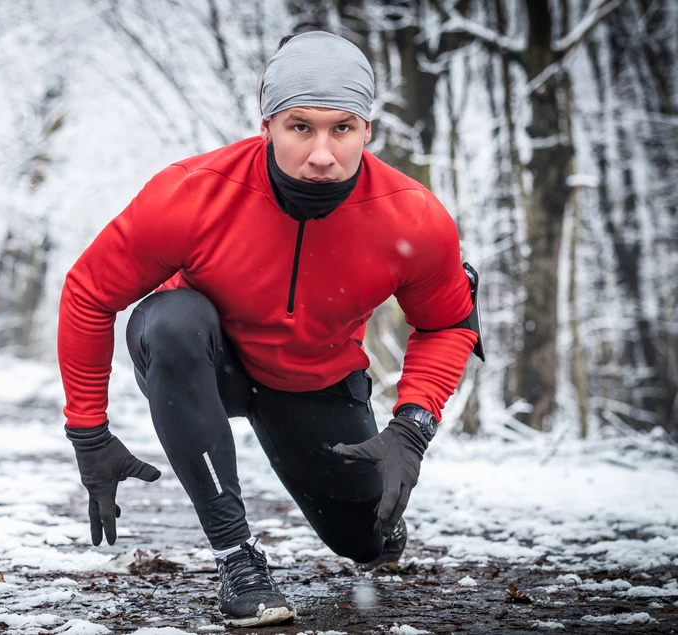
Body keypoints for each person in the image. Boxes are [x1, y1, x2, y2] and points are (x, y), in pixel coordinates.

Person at [58, 30, 484, 627]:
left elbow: (447, 323)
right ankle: (237, 556)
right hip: (211, 360)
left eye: (341, 128)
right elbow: (87, 295)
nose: (321, 152)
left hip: (314, 380)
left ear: (368, 130)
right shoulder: (191, 194)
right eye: (300, 126)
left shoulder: (412, 217)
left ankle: (367, 529)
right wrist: (89, 434)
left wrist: (413, 427)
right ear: (267, 126)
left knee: (367, 544)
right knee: (170, 320)